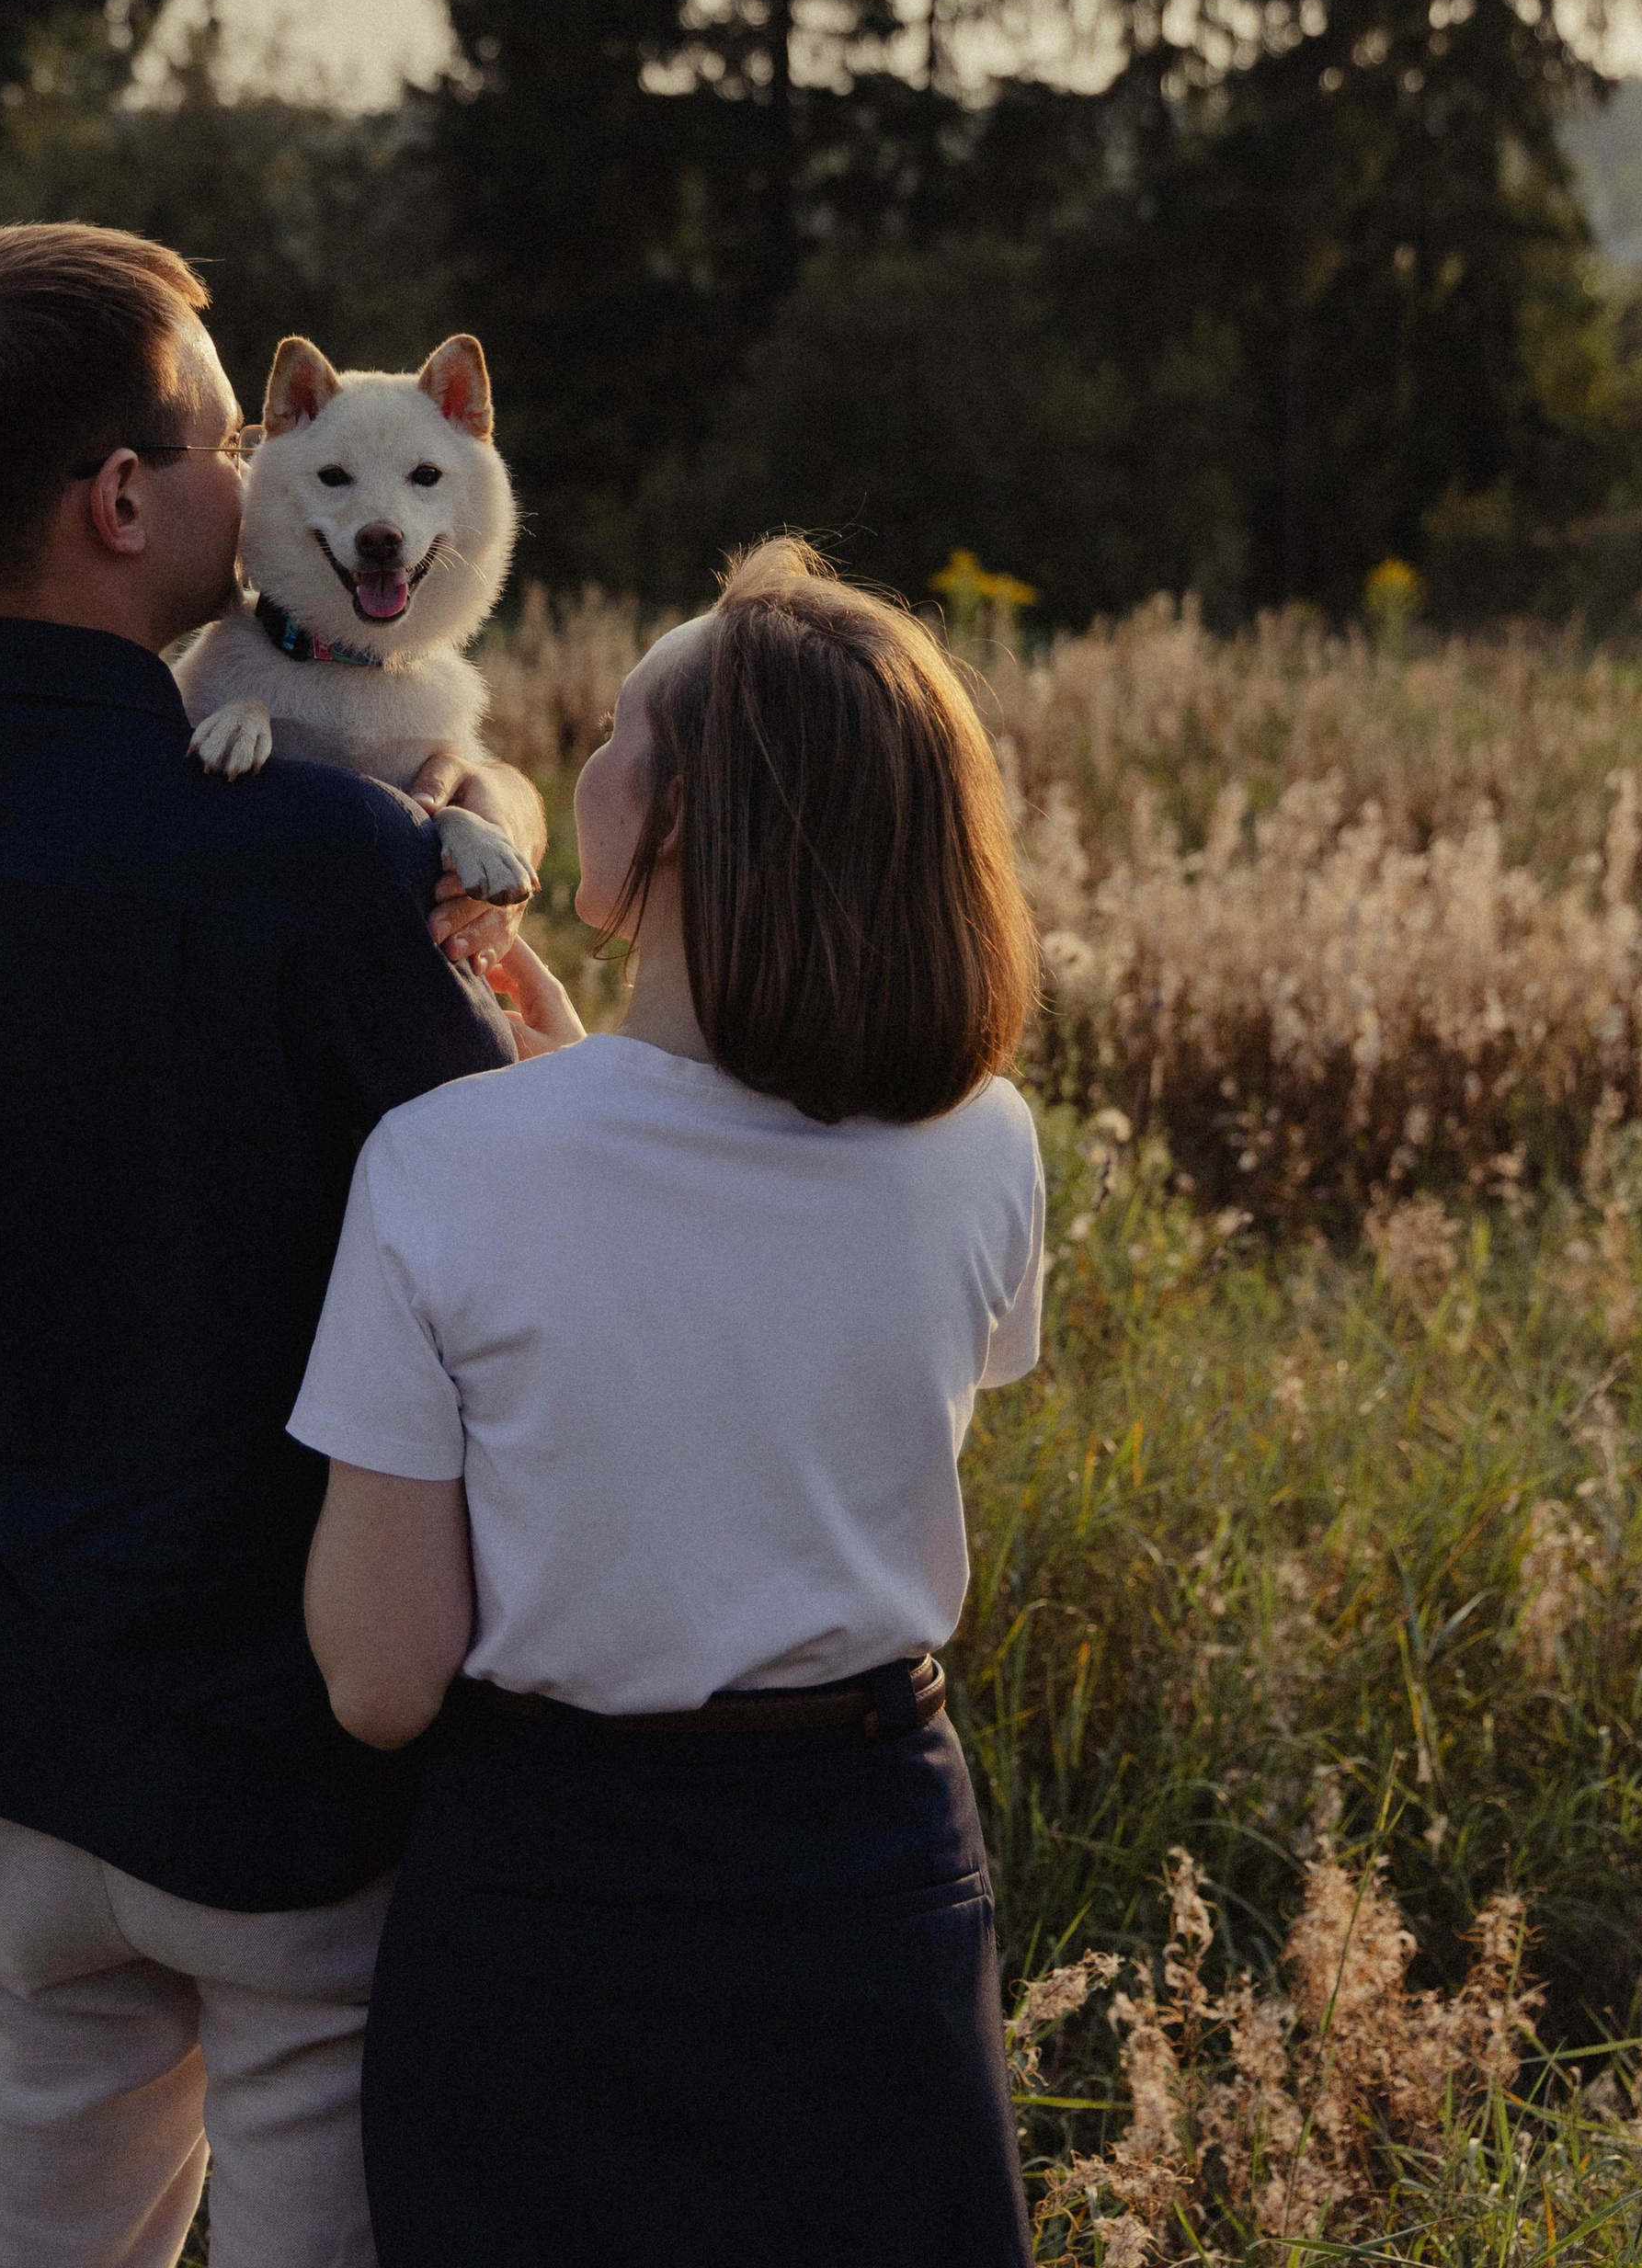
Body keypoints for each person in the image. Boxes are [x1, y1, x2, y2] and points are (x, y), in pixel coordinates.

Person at [0, 222, 542, 2268]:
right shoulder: (313, 859)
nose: (260, 487)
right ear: (124, 502)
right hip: (282, 1782)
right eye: (221, 443)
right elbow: (517, 1226)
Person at [295, 536, 1045, 2268]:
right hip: (869, 1866)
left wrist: (548, 1124)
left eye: (623, 727)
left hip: (558, 1892)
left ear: (690, 812)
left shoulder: (443, 1166)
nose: (586, 759)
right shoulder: (987, 1142)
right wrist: (582, 1104)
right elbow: (796, 1423)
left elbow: (382, 1676)